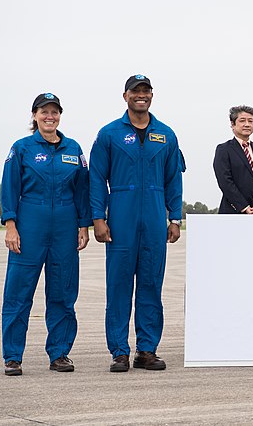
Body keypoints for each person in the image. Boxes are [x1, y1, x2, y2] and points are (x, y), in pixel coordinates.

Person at [90, 75, 185, 372]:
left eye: (145, 92)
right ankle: (119, 351)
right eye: (135, 92)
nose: (140, 96)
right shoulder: (109, 134)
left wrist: (175, 217)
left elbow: (174, 179)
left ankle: (146, 350)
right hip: (121, 216)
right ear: (125, 96)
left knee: (150, 285)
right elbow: (96, 178)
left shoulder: (166, 135)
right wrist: (98, 218)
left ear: (152, 96)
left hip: (155, 217)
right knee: (118, 286)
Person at [0, 93, 90, 376]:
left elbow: (83, 191)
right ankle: (13, 356)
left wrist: (83, 225)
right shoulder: (22, 148)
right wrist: (10, 225)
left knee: (63, 293)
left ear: (59, 115)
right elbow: (10, 188)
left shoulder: (73, 149)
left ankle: (60, 353)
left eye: (54, 112)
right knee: (18, 293)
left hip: (65, 225)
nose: (49, 117)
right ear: (34, 116)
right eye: (44, 112)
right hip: (30, 223)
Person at [213, 105, 253, 214]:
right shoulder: (224, 149)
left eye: (250, 121)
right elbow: (225, 181)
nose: (247, 124)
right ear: (233, 124)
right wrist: (244, 206)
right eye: (242, 121)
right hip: (233, 212)